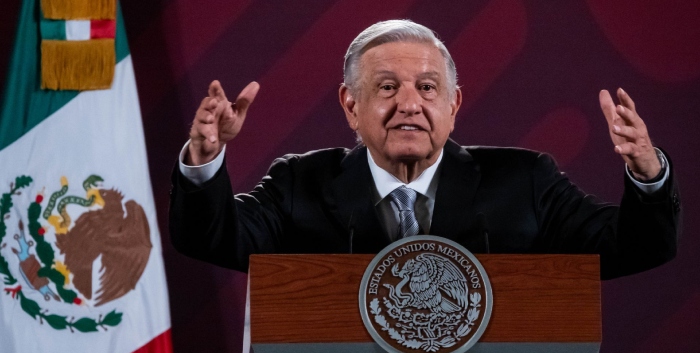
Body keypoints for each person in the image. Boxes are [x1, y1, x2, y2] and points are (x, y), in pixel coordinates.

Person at [169, 20, 679, 280]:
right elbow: (212, 239)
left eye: (428, 88)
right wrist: (204, 163)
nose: (409, 104)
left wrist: (648, 172)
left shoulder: (524, 181)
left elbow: (636, 247)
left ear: (453, 104)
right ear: (351, 106)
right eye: (387, 87)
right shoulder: (300, 184)